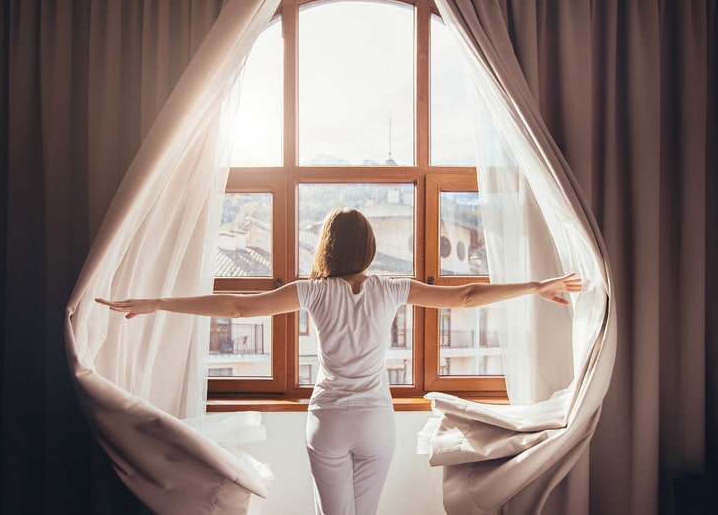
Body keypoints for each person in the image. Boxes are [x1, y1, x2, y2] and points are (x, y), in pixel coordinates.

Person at [96, 208, 582, 515]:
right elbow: (466, 296)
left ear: (327, 245)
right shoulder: (393, 288)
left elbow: (238, 306)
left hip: (327, 419)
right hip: (376, 420)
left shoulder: (313, 292)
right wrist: (536, 287)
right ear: (369, 247)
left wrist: (159, 303)